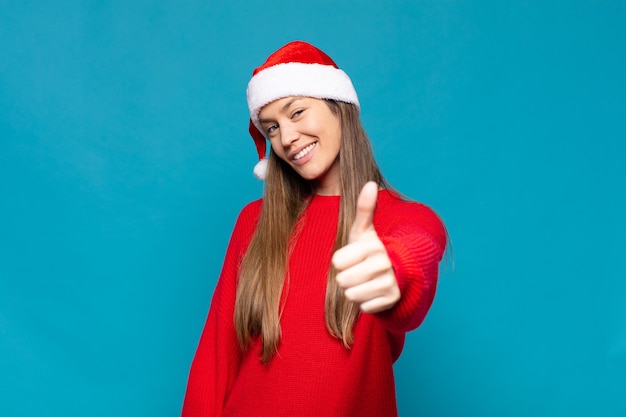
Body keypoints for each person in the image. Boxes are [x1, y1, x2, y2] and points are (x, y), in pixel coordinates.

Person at [182, 41, 447, 417]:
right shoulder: (253, 222)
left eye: (298, 112)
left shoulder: (405, 218)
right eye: (272, 127)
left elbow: (414, 257)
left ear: (339, 108)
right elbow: (216, 360)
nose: (286, 138)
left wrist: (392, 272)